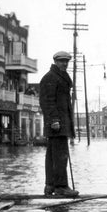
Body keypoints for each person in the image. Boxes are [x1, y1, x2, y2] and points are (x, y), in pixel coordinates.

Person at [39, 51, 79, 197]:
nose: (64, 64)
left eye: (66, 61)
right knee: (60, 156)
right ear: (55, 61)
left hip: (61, 124)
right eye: (61, 61)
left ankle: (50, 186)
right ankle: (61, 187)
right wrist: (54, 120)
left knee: (53, 156)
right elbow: (47, 102)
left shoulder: (60, 78)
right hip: (57, 125)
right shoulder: (51, 78)